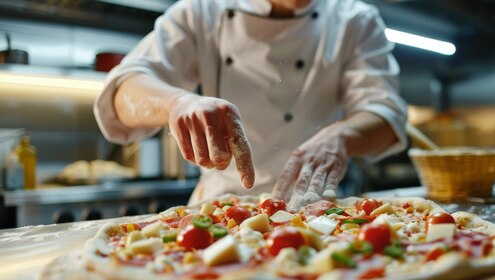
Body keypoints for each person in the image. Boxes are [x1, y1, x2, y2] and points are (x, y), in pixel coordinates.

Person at [94, 0, 407, 210]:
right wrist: (178, 103)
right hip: (218, 210)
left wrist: (341, 135)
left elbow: (385, 112)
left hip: (316, 211)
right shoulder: (202, 11)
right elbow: (124, 88)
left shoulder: (354, 19)